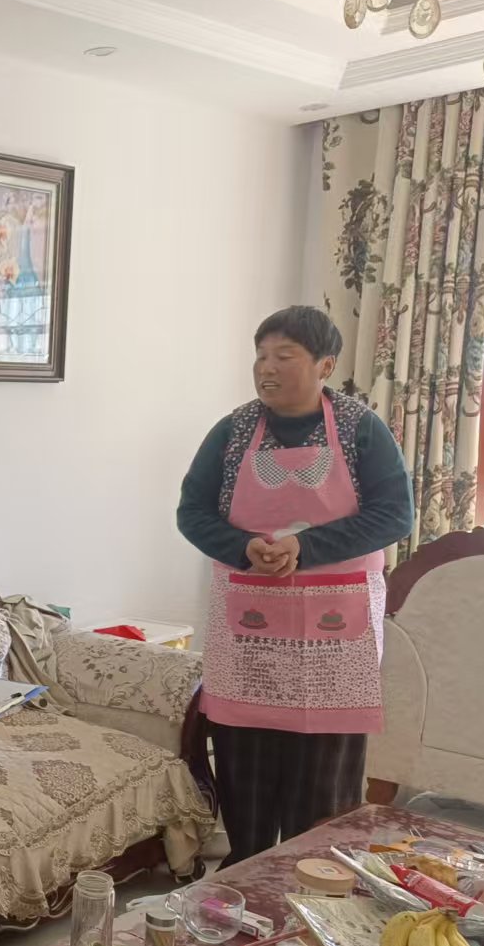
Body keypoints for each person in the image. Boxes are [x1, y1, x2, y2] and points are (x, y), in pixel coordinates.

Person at [177, 306, 413, 868]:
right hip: (250, 624)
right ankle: (244, 875)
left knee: (323, 787)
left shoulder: (360, 429)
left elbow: (394, 514)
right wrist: (244, 547)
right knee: (247, 767)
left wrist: (305, 547)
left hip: (336, 630)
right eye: (261, 355)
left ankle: (316, 884)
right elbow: (192, 512)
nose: (267, 368)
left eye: (284, 356)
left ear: (325, 365)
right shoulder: (233, 431)